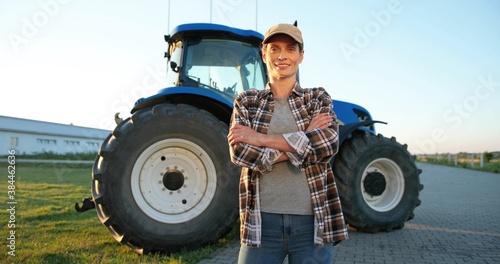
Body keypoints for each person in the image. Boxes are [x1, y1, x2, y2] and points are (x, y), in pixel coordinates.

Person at [227, 23, 349, 264]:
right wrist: (305, 137)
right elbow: (241, 152)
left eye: (290, 49)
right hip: (261, 225)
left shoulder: (317, 98)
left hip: (312, 224)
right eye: (274, 49)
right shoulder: (247, 101)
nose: (282, 56)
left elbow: (327, 145)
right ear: (264, 54)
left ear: (300, 56)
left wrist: (260, 139)